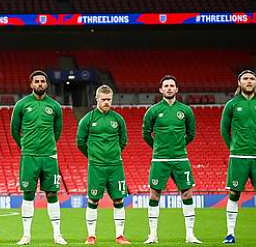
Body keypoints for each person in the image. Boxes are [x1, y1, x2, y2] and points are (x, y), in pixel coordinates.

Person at [141, 75, 201, 244]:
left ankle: (190, 235)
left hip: (181, 159)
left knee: (187, 192)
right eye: (166, 86)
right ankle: (152, 235)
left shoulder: (186, 110)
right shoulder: (153, 111)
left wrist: (179, 145)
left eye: (172, 85)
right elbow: (146, 134)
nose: (169, 88)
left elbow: (192, 134)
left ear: (176, 89)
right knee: (154, 195)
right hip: (160, 159)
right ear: (161, 90)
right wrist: (158, 147)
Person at [221, 70, 256, 244]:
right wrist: (234, 146)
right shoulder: (231, 105)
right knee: (234, 193)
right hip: (238, 157)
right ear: (239, 82)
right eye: (245, 78)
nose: (249, 81)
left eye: (252, 78)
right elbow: (224, 130)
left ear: (255, 82)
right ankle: (230, 234)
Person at [10, 70, 66, 245]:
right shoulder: (21, 105)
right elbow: (14, 130)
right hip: (29, 157)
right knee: (28, 193)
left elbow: (57, 131)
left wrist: (47, 145)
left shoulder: (55, 107)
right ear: (31, 84)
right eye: (37, 81)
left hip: (49, 156)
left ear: (46, 84)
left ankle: (57, 234)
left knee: (52, 193)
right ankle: (26, 235)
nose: (40, 84)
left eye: (42, 81)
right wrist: (25, 147)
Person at [76, 85, 130, 245]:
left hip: (115, 166)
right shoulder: (88, 119)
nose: (106, 102)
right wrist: (92, 156)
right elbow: (80, 142)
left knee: (118, 199)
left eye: (109, 100)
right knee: (93, 200)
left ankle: (120, 236)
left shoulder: (118, 119)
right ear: (97, 99)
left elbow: (123, 140)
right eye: (103, 99)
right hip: (96, 166)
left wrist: (114, 154)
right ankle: (91, 236)